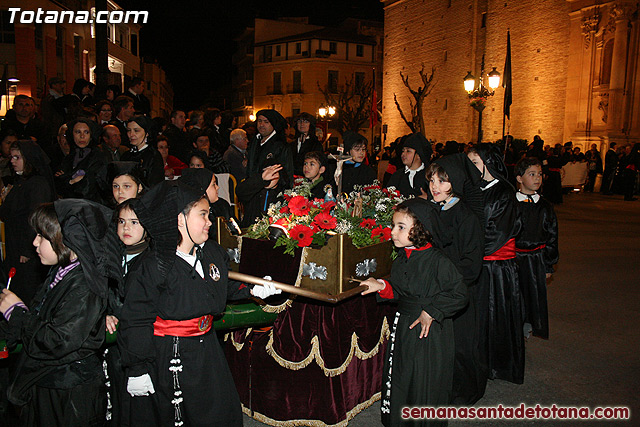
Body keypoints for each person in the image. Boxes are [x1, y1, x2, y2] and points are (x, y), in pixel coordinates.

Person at [117, 181, 281, 426]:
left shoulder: (211, 252)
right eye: (202, 215)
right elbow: (135, 318)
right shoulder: (152, 265)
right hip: (171, 354)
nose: (209, 221)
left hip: (208, 349)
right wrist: (137, 367)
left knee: (220, 410)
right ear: (180, 220)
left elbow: (221, 286)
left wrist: (253, 290)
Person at [0, 199, 122, 426]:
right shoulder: (62, 271)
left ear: (67, 240)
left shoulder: (84, 283)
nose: (34, 243)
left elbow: (57, 340)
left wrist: (16, 313)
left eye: (42, 236)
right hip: (52, 386)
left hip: (68, 393)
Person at [361, 198, 467, 426]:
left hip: (429, 332)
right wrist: (382, 286)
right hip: (405, 326)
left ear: (420, 229)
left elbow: (459, 294)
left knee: (424, 381)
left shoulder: (439, 261)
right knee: (403, 375)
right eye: (393, 226)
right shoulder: (403, 257)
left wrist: (432, 310)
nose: (392, 232)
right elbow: (402, 290)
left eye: (400, 227)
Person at [426, 157, 485, 405]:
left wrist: (444, 279)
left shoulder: (466, 216)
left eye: (442, 181)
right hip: (435, 290)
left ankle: (462, 392)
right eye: (431, 180)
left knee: (459, 345)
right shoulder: (432, 209)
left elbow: (471, 265)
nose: (434, 186)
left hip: (458, 291)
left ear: (456, 183)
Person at [467, 143, 524, 384]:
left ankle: (498, 366)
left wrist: (469, 251)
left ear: (489, 164)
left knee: (496, 316)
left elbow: (497, 233)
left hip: (496, 268)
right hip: (477, 263)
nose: (471, 168)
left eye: (475, 163)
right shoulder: (473, 189)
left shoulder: (504, 192)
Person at [104, 199, 151, 426]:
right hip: (115, 348)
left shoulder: (152, 261)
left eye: (134, 222)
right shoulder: (110, 257)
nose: (126, 228)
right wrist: (103, 312)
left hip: (141, 348)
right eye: (121, 221)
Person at [0, 140, 56, 306]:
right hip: (16, 245)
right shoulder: (22, 182)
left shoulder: (37, 184)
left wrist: (27, 250)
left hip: (27, 250)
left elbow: (36, 218)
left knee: (25, 291)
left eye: (17, 157)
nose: (12, 161)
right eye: (11, 157)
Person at [514, 157, 559, 340]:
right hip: (514, 258)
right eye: (531, 174)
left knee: (533, 295)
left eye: (539, 174)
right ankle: (513, 324)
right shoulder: (511, 204)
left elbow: (552, 236)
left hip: (536, 259)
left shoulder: (545, 206)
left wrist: (549, 264)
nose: (537, 178)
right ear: (519, 178)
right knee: (515, 295)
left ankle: (528, 324)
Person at [55, 118, 108, 203]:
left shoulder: (98, 156)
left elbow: (87, 188)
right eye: (78, 132)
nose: (82, 136)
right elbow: (58, 186)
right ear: (72, 134)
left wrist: (67, 179)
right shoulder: (69, 157)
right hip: (70, 206)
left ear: (91, 135)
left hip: (92, 207)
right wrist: (73, 180)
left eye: (86, 132)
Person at [246, 109, 294, 188]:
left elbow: (287, 172)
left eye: (266, 122)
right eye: (260, 121)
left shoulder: (281, 145)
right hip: (252, 188)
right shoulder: (255, 141)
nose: (262, 125)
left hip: (271, 191)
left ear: (273, 124)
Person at [236, 163, 285, 228]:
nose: (269, 176)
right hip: (250, 233)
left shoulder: (284, 194)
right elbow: (240, 191)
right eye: (266, 172)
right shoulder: (253, 190)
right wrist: (261, 179)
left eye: (274, 172)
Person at [121, 115, 164, 187]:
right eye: (129, 130)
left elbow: (155, 186)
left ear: (147, 133)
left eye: (136, 130)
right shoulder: (125, 155)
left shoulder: (153, 156)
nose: (131, 134)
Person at [387, 132, 431, 197]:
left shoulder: (429, 175)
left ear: (419, 155)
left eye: (408, 151)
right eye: (403, 151)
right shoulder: (397, 176)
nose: (403, 154)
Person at [291, 112, 323, 177]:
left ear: (310, 124)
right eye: (299, 121)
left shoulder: (315, 144)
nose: (302, 124)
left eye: (306, 121)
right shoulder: (291, 144)